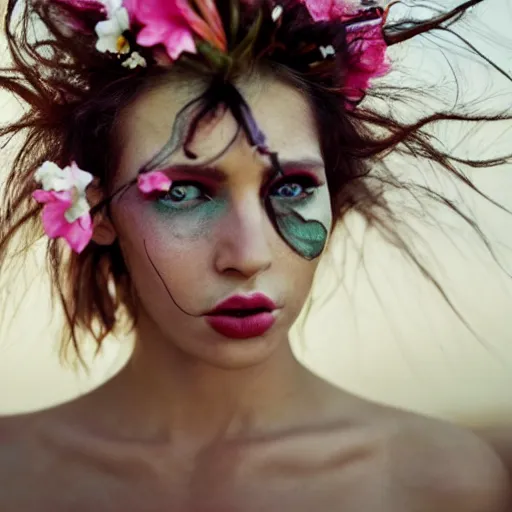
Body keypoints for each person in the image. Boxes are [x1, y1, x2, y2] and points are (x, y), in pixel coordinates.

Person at [0, 0, 511, 509]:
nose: (248, 255)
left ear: (335, 196)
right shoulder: (13, 476)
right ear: (96, 209)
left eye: (291, 186)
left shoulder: (441, 483)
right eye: (182, 192)